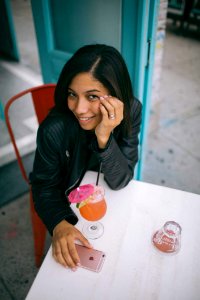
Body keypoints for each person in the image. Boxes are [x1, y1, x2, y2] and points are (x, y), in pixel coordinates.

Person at [30, 44, 142, 271]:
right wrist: (60, 224)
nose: (79, 109)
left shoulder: (131, 111)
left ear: (116, 95)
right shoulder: (54, 129)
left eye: (92, 96)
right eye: (72, 94)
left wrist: (104, 137)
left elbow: (121, 180)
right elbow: (44, 186)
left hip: (111, 200)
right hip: (69, 205)